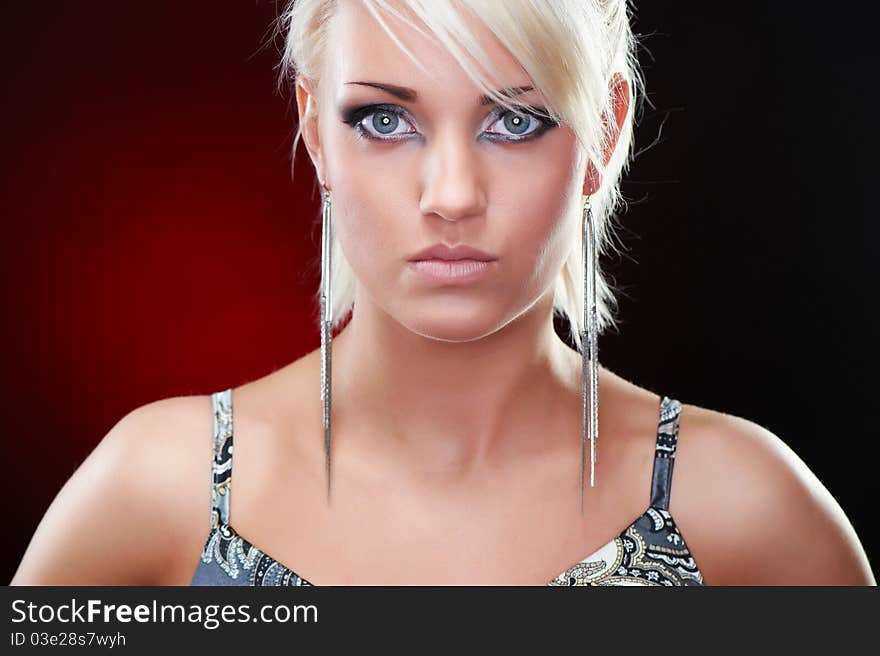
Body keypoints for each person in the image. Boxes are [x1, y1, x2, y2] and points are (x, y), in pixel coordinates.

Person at [10, 0, 875, 586]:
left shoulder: (739, 508)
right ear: (316, 132)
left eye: (515, 119)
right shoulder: (163, 486)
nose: (452, 194)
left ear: (605, 133)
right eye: (384, 120)